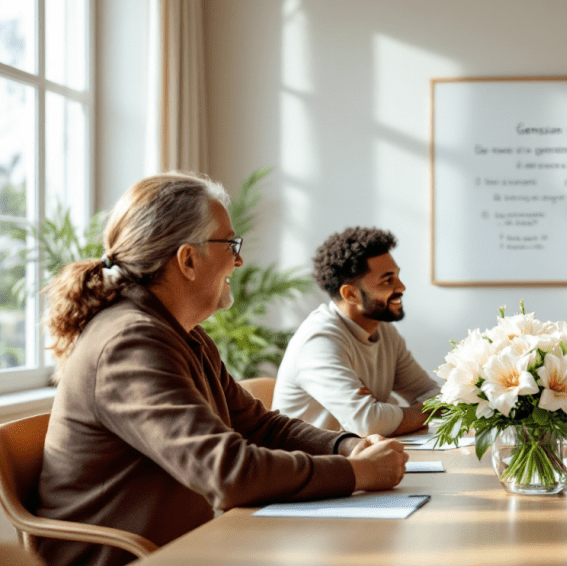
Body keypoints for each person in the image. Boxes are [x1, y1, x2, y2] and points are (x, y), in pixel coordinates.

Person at [36, 174, 408, 566]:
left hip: (187, 547)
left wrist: (346, 445)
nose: (240, 260)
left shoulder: (183, 334)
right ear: (188, 259)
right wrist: (357, 473)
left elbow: (261, 426)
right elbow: (229, 473)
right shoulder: (129, 344)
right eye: (231, 244)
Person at [272, 227, 439, 436]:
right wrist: (417, 412)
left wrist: (391, 413)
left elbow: (434, 395)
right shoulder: (319, 342)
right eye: (388, 280)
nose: (402, 287)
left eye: (397, 276)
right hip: (309, 464)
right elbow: (369, 423)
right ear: (350, 294)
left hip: (356, 459)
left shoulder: (385, 331)